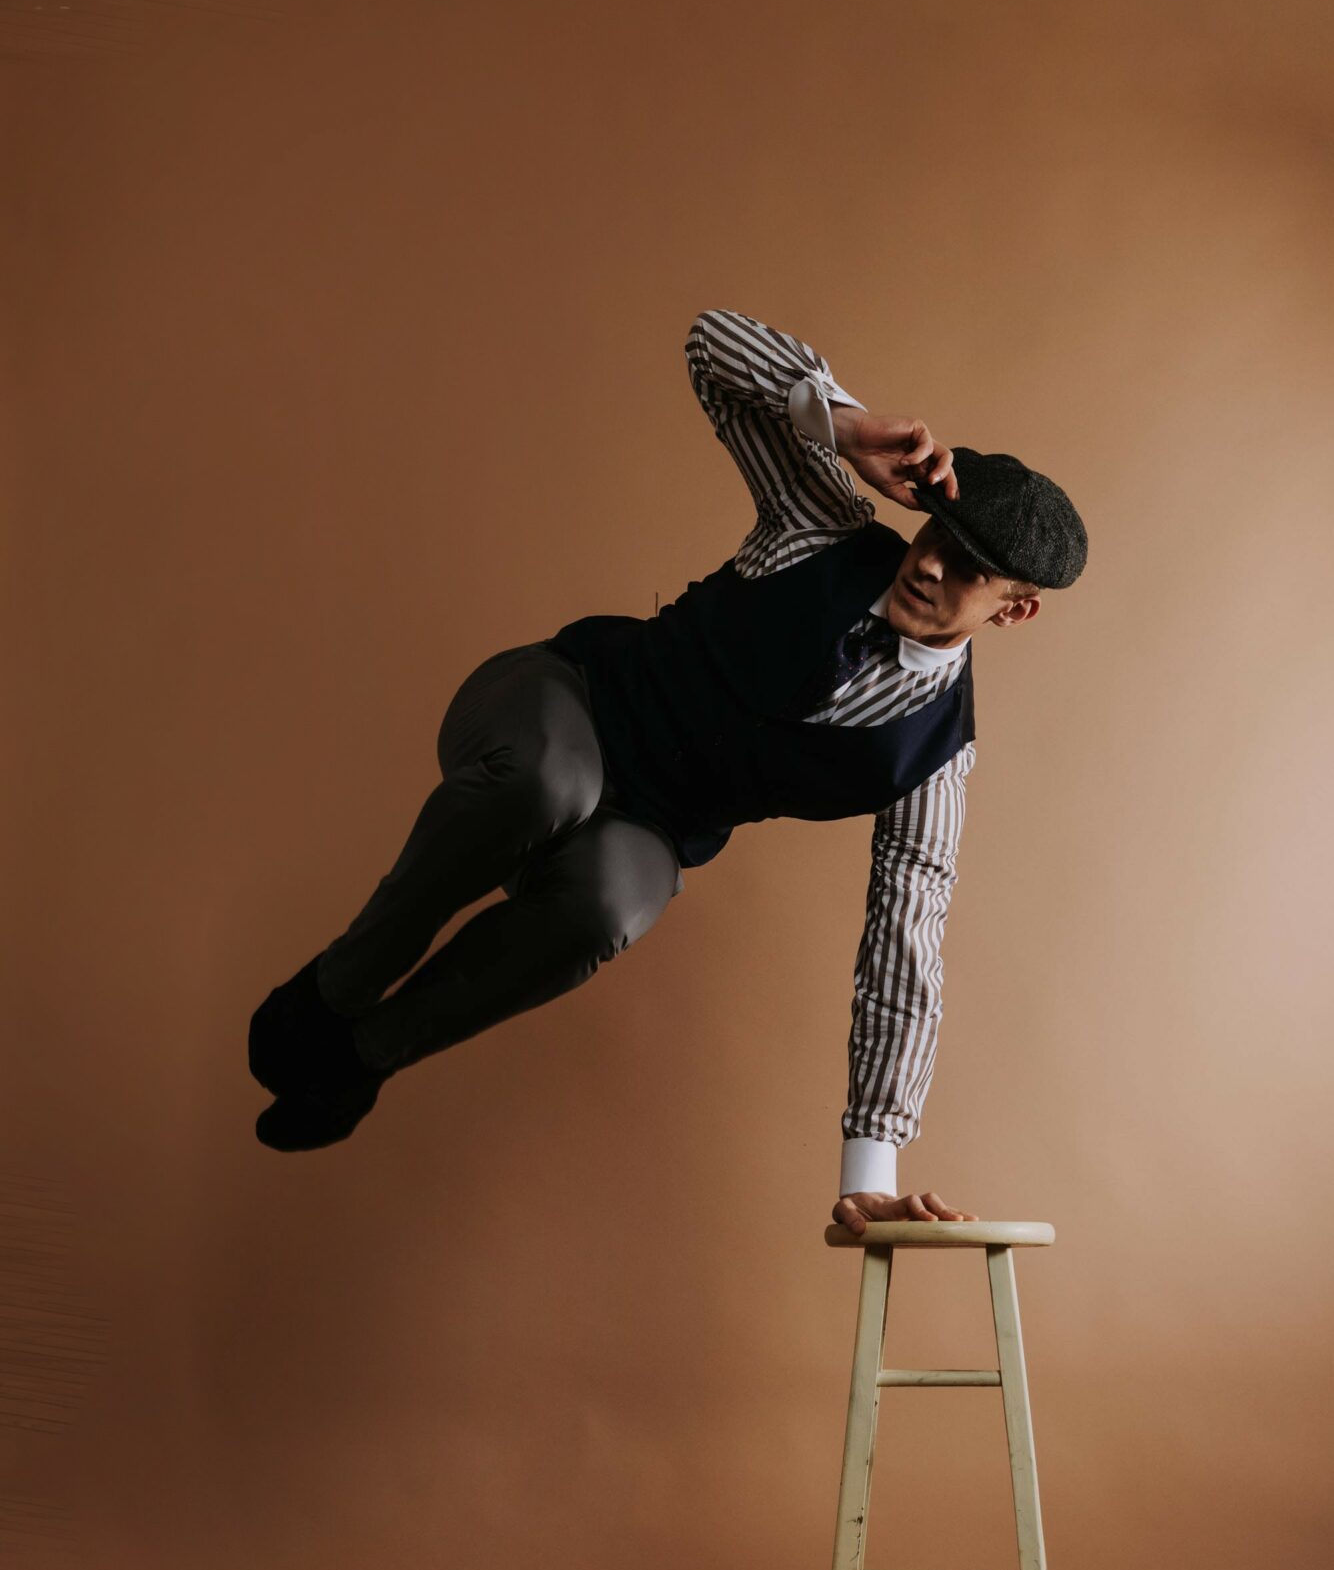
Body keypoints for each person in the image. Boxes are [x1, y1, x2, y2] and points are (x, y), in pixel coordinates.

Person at [248, 308, 1087, 1239]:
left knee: (614, 906)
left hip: (652, 823)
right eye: (937, 532)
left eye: (969, 569)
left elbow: (907, 944)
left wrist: (871, 1168)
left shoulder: (933, 759)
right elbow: (712, 345)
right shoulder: (821, 526)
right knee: (546, 785)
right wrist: (845, 424)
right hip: (564, 699)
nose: (929, 563)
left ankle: (362, 1057)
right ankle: (335, 988)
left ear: (1014, 611)